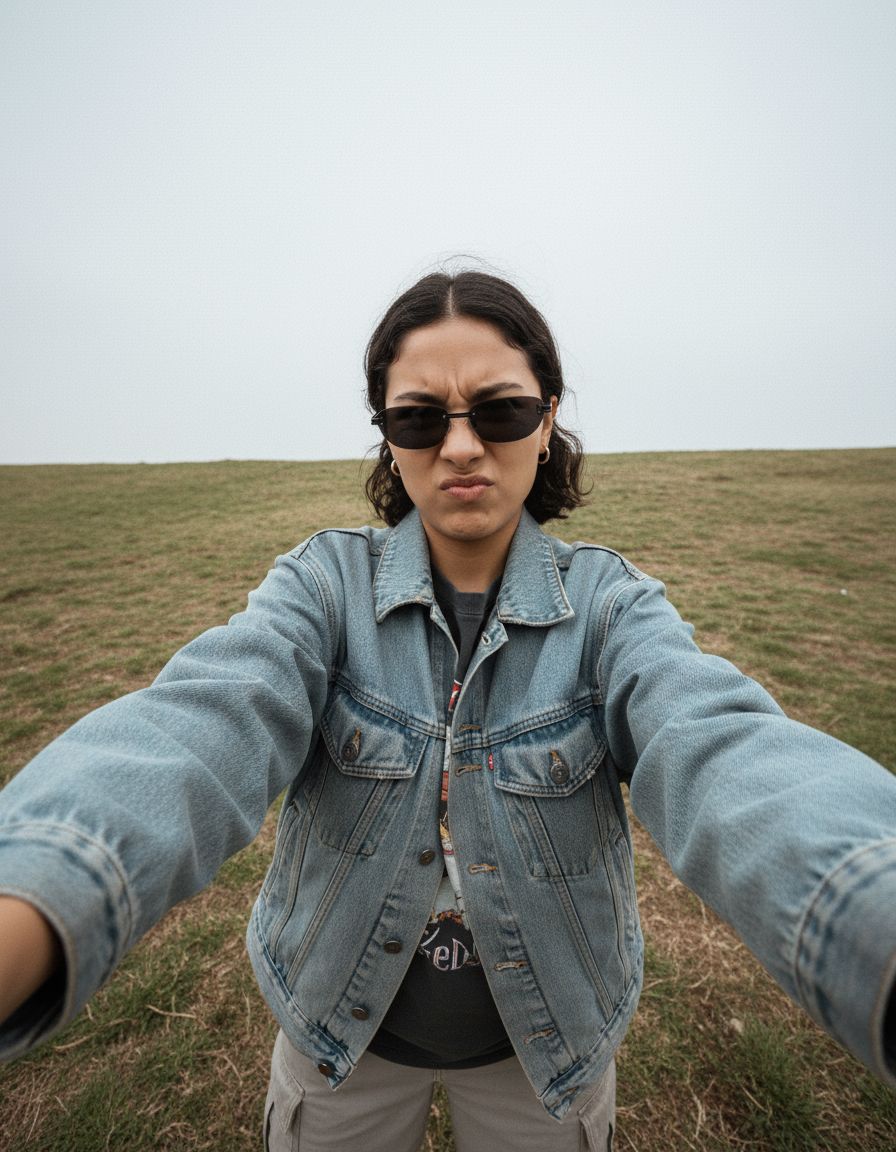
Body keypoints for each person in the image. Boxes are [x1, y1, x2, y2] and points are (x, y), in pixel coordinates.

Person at [0, 269, 894, 1152]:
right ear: (387, 437)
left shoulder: (612, 609)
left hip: (547, 1055)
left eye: (499, 412)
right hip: (337, 1039)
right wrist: (39, 890)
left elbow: (719, 745)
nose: (461, 447)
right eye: (420, 418)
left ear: (548, 418)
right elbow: (201, 725)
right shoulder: (323, 587)